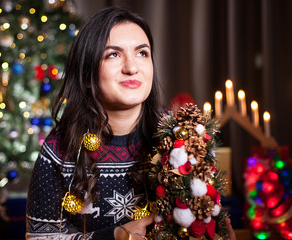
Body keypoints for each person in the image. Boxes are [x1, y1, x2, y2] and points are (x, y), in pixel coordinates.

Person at [26, 7, 236, 240]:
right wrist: (114, 236)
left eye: (142, 53)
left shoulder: (183, 140)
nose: (132, 67)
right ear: (87, 75)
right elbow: (39, 237)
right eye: (113, 54)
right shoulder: (58, 150)